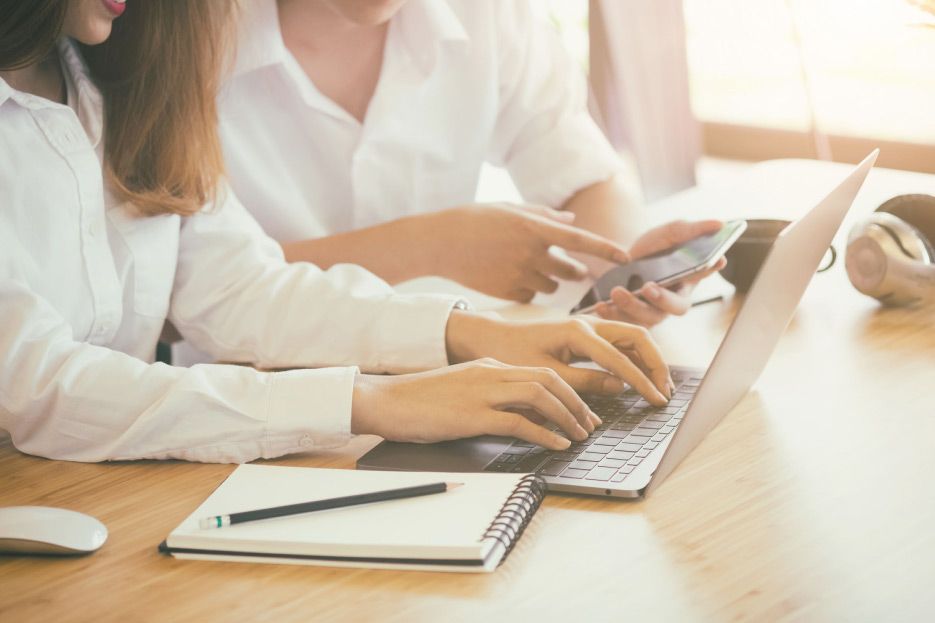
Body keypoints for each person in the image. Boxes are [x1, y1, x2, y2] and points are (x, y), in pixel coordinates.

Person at [0, 0, 673, 464]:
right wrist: (370, 401)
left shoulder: (113, 74)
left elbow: (237, 286)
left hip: (112, 485)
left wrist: (477, 332)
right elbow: (41, 387)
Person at [219, 0, 725, 327]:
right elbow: (178, 299)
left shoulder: (484, 13)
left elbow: (582, 172)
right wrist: (427, 249)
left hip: (453, 377)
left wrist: (625, 272)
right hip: (249, 403)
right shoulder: (180, 40)